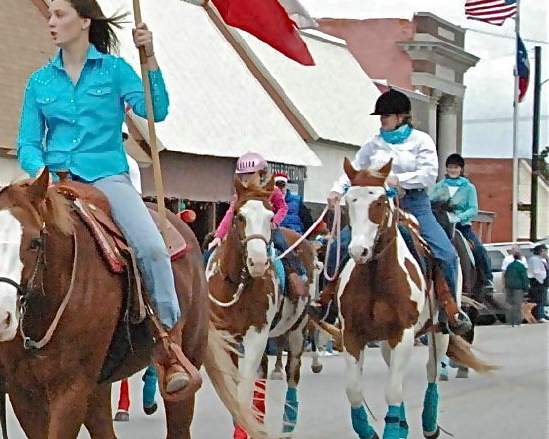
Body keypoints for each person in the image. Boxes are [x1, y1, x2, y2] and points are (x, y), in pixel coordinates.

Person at [0, 0, 200, 401]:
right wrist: (40, 176)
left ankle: (168, 344)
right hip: (51, 182)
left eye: (60, 14)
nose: (51, 22)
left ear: (85, 21)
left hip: (107, 178)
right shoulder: (40, 81)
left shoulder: (115, 70)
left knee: (150, 247)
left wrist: (150, 57)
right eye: (50, 15)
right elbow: (27, 141)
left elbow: (156, 110)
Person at [307, 89, 472, 335]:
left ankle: (451, 309)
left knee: (446, 254)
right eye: (381, 116)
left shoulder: (421, 141)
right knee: (339, 246)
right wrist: (336, 190)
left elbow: (428, 174)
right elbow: (354, 171)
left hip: (414, 204)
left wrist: (399, 180)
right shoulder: (373, 144)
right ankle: (326, 299)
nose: (382, 120)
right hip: (378, 207)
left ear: (401, 116)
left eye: (386, 115)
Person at [208, 152, 308, 298]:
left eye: (250, 175)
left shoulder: (271, 190)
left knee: (282, 244)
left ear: (261, 175)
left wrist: (275, 222)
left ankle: (299, 272)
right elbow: (229, 214)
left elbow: (283, 207)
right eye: (243, 176)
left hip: (266, 228)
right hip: (247, 230)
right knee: (213, 250)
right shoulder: (240, 195)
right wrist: (218, 235)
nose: (246, 179)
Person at [429, 153, 493, 289]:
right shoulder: (439, 186)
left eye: (456, 167)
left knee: (479, 249)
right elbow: (429, 202)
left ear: (461, 169)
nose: (452, 170)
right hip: (441, 224)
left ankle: (487, 280)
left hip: (461, 226)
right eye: (450, 167)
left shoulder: (469, 187)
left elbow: (473, 209)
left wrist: (458, 217)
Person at [504, 251, 530, 326]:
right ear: (520, 257)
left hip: (509, 286)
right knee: (517, 304)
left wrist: (506, 285)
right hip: (518, 287)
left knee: (509, 303)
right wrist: (526, 288)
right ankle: (517, 322)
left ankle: (509, 321)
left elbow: (505, 275)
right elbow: (524, 277)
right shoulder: (521, 266)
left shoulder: (509, 265)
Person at [527, 244, 548, 322]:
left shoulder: (541, 259)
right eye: (545, 251)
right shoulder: (535, 259)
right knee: (540, 299)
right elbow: (537, 272)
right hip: (537, 282)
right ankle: (540, 316)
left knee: (543, 299)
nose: (546, 253)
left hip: (541, 282)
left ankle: (542, 314)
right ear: (541, 251)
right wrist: (541, 281)